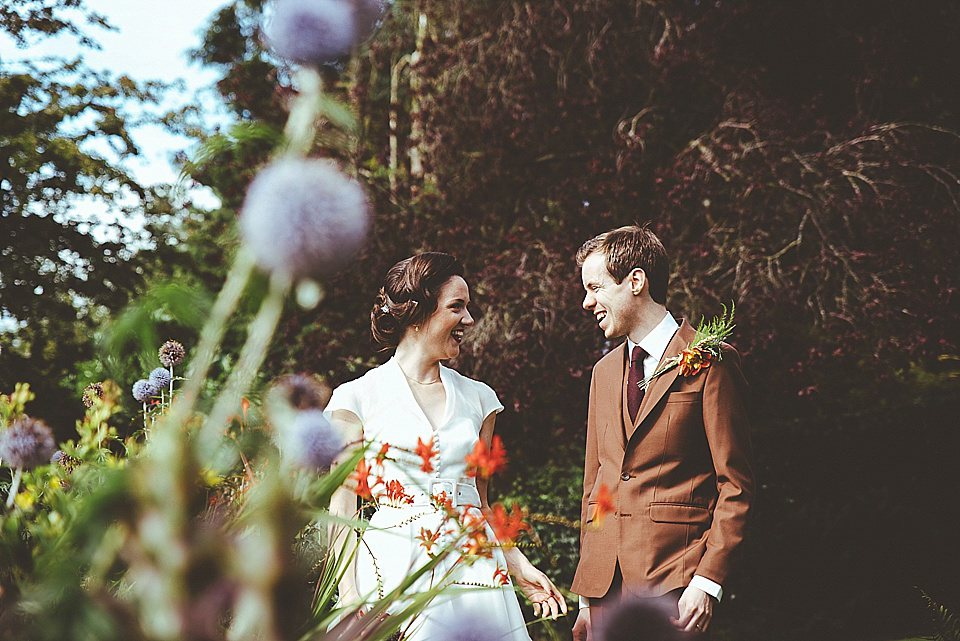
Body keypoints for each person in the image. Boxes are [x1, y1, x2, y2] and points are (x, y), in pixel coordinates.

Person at [326, 252, 566, 641]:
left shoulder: (480, 401)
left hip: (476, 571)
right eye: (457, 307)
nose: (469, 320)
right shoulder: (356, 399)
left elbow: (481, 503)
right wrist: (351, 597)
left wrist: (519, 567)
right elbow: (343, 511)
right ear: (418, 315)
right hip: (392, 569)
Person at [570, 226, 754, 639]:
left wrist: (707, 583)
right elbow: (596, 486)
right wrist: (587, 595)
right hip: (605, 595)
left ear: (636, 281)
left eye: (595, 287)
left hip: (676, 586)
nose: (587, 302)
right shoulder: (602, 374)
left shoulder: (711, 363)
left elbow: (736, 485)